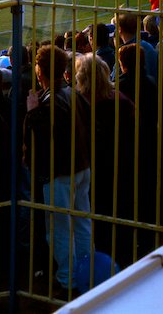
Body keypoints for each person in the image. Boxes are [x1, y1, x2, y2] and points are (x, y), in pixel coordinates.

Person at [24, 45, 93, 292]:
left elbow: (45, 139)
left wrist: (32, 112)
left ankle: (68, 279)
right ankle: (86, 271)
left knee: (59, 229)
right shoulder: (73, 94)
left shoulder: (50, 99)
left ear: (40, 72)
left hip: (60, 173)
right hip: (81, 166)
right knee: (82, 222)